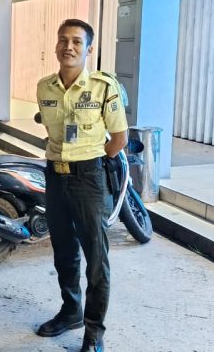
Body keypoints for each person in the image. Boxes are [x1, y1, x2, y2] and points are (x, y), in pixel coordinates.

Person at [35, 19, 128, 352]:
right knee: (63, 250)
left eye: (76, 41)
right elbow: (51, 131)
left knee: (96, 257)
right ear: (56, 45)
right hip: (54, 175)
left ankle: (94, 330)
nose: (68, 47)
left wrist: (92, 162)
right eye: (63, 40)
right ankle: (71, 311)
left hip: (89, 178)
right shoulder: (44, 87)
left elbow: (119, 139)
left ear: (89, 49)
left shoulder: (103, 87)